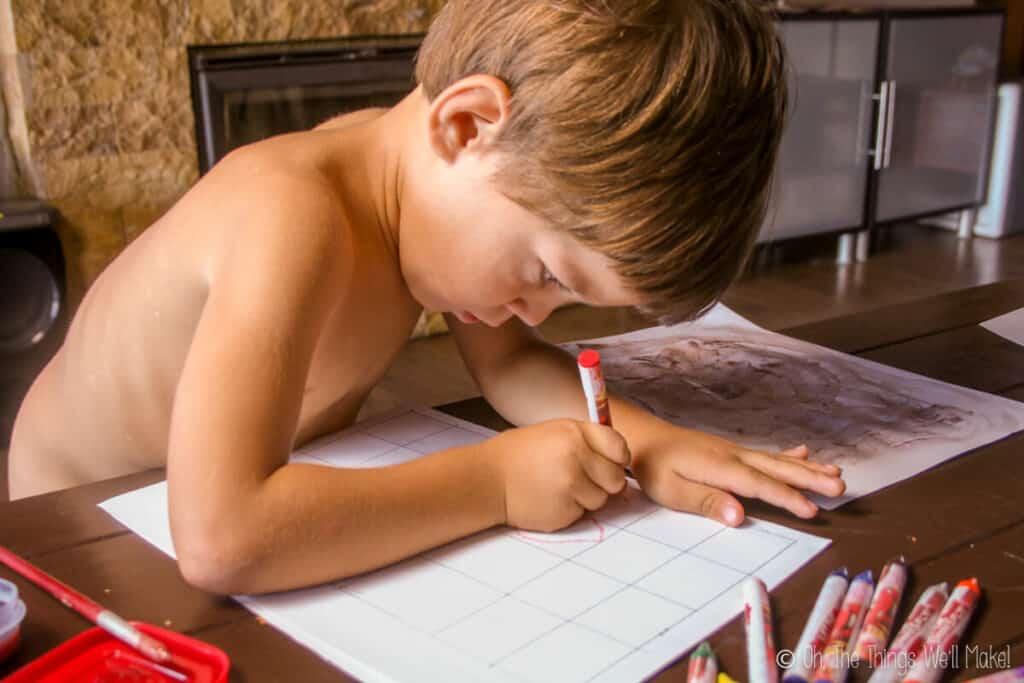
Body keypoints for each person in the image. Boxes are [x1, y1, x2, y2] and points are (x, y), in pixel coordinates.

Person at [9, 0, 844, 594]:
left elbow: (511, 362)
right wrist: (495, 482)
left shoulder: (433, 206)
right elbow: (223, 536)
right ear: (468, 127)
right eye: (548, 274)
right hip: (73, 525)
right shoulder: (293, 213)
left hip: (196, 497)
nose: (533, 313)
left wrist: (649, 443)